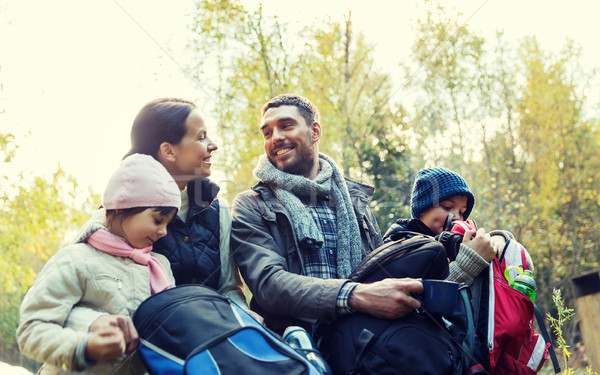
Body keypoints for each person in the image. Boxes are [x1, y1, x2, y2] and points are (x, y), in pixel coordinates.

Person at [230, 93, 423, 335]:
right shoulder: (251, 205)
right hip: (293, 352)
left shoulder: (355, 201)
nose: (275, 138)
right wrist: (353, 295)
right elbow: (269, 285)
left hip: (362, 346)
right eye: (267, 133)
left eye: (286, 126)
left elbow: (379, 272)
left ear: (315, 131)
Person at [17, 154, 180, 374]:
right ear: (122, 207)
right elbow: (31, 331)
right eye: (158, 220)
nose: (163, 232)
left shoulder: (160, 267)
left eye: (168, 224)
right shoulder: (75, 259)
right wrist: (85, 347)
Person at [383, 167, 523, 286]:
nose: (456, 217)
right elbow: (420, 303)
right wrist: (469, 262)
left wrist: (499, 240)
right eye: (447, 207)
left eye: (462, 212)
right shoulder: (400, 244)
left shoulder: (453, 242)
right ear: (422, 210)